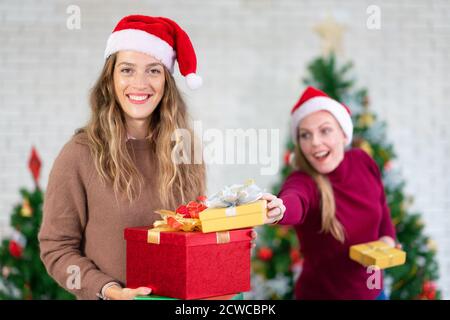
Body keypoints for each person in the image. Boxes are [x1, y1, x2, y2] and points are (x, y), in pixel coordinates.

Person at [38, 15, 285, 300]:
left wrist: (236, 229)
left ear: (166, 81)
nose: (140, 83)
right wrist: (107, 289)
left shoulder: (185, 149)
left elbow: (192, 227)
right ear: (111, 78)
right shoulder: (79, 154)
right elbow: (56, 247)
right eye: (127, 70)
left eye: (153, 71)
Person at [275, 86, 397, 300]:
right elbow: (295, 200)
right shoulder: (303, 181)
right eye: (305, 135)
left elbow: (382, 206)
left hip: (375, 292)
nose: (314, 142)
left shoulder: (363, 161)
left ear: (343, 133)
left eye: (325, 130)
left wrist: (387, 239)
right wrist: (279, 209)